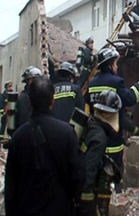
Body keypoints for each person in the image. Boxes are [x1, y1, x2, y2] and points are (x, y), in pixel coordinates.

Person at [5, 77, 85, 216]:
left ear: (29, 102)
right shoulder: (66, 133)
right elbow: (77, 177)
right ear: (52, 101)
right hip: (59, 209)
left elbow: (11, 186)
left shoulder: (18, 137)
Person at [78, 90, 125, 216]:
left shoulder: (92, 123)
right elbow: (89, 170)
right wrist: (87, 207)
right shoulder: (99, 138)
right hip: (85, 196)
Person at [85, 48, 139, 134]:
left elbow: (87, 108)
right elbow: (129, 99)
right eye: (115, 63)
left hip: (95, 133)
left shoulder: (92, 83)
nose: (117, 66)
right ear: (109, 65)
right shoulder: (116, 82)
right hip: (113, 137)